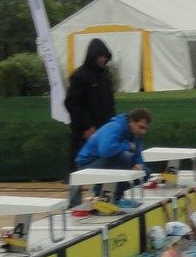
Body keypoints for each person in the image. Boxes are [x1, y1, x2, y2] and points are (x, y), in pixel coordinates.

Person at [64, 39, 115, 205]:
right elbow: (71, 103)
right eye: (101, 56)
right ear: (93, 56)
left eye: (105, 57)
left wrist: (112, 125)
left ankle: (101, 200)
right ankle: (73, 204)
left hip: (104, 130)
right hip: (84, 132)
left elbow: (109, 102)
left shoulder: (105, 75)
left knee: (103, 165)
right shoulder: (79, 76)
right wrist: (86, 125)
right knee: (78, 168)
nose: (103, 60)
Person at [72, 109, 151, 206]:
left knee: (145, 173)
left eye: (145, 129)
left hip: (107, 161)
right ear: (131, 121)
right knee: (124, 156)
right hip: (87, 164)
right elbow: (105, 151)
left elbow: (137, 154)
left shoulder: (136, 134)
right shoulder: (114, 127)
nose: (143, 131)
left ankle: (112, 195)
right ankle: (102, 193)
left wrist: (140, 165)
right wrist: (127, 145)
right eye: (141, 127)